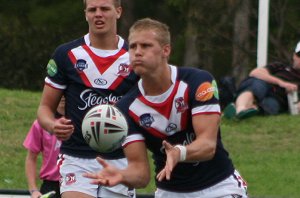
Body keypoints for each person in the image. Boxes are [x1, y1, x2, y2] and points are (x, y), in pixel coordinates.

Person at [83, 18, 248, 198]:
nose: (137, 52)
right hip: (170, 192)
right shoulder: (125, 108)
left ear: (166, 50)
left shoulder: (198, 82)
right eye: (133, 46)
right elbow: (141, 173)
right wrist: (122, 175)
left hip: (219, 187)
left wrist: (179, 152)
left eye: (146, 46)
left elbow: (208, 146)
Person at [37, 0, 139, 197]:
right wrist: (52, 125)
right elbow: (44, 109)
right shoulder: (66, 54)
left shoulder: (134, 57)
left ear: (118, 12)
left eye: (104, 9)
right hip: (76, 158)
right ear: (86, 14)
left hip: (121, 159)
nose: (98, 14)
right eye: (92, 9)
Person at [223, 41, 300, 120]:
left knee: (270, 106)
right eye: (299, 55)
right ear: (294, 55)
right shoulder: (280, 66)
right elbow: (255, 73)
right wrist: (282, 83)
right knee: (257, 85)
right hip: (261, 86)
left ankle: (240, 110)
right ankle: (240, 109)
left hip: (278, 99)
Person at [24, 98, 65, 198]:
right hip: (50, 185)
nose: (63, 96)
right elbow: (31, 158)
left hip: (77, 182)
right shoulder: (41, 123)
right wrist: (33, 190)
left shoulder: (82, 121)